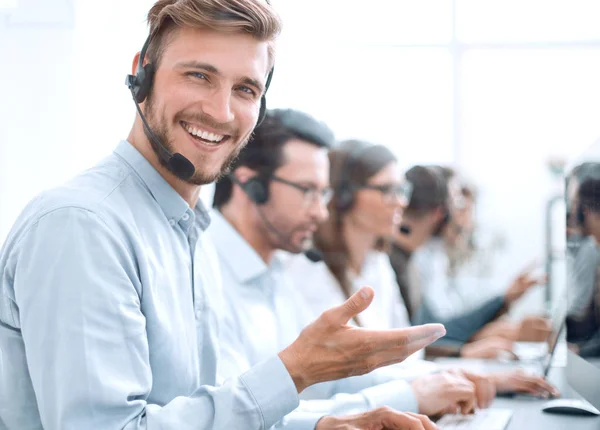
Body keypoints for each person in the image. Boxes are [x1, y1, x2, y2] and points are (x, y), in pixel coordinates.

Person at [0, 2, 446, 429]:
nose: (221, 112)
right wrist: (294, 372)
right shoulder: (83, 225)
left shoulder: (192, 232)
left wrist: (324, 423)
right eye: (199, 76)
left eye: (245, 89)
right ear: (142, 72)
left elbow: (214, 414)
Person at [211, 110, 495, 427]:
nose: (320, 213)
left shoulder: (273, 271)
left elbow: (315, 385)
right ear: (251, 186)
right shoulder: (212, 274)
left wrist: (435, 380)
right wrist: (408, 396)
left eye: (324, 194)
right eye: (308, 191)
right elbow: (238, 416)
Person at [285, 142, 559, 398]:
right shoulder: (309, 271)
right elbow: (342, 378)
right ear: (344, 196)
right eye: (388, 190)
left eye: (402, 190)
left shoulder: (377, 264)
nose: (401, 202)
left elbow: (407, 353)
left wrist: (466, 376)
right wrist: (468, 375)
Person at [391, 165, 551, 357]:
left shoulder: (417, 261)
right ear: (439, 211)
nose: (463, 217)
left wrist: (500, 306)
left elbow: (433, 332)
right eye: (458, 204)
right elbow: (426, 337)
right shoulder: (404, 262)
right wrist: (466, 349)